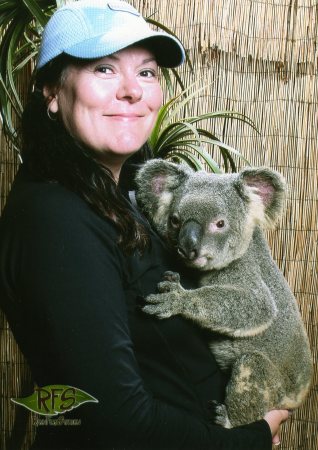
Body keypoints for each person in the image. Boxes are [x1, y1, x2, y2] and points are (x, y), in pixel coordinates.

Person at [0, 1, 289, 449]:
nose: (132, 91)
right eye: (103, 69)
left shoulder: (123, 196)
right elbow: (117, 422)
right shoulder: (55, 220)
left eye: (147, 72)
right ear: (52, 92)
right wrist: (252, 439)